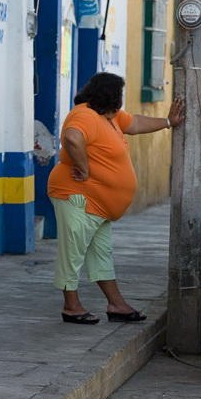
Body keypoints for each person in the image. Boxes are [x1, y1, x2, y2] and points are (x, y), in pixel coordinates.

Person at [47, 72, 186, 324]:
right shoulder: (85, 114)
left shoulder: (108, 117)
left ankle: (116, 304)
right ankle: (71, 306)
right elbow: (71, 137)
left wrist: (168, 121)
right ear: (109, 96)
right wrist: (85, 168)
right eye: (119, 94)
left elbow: (134, 124)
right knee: (73, 251)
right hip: (77, 196)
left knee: (101, 253)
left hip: (99, 205)